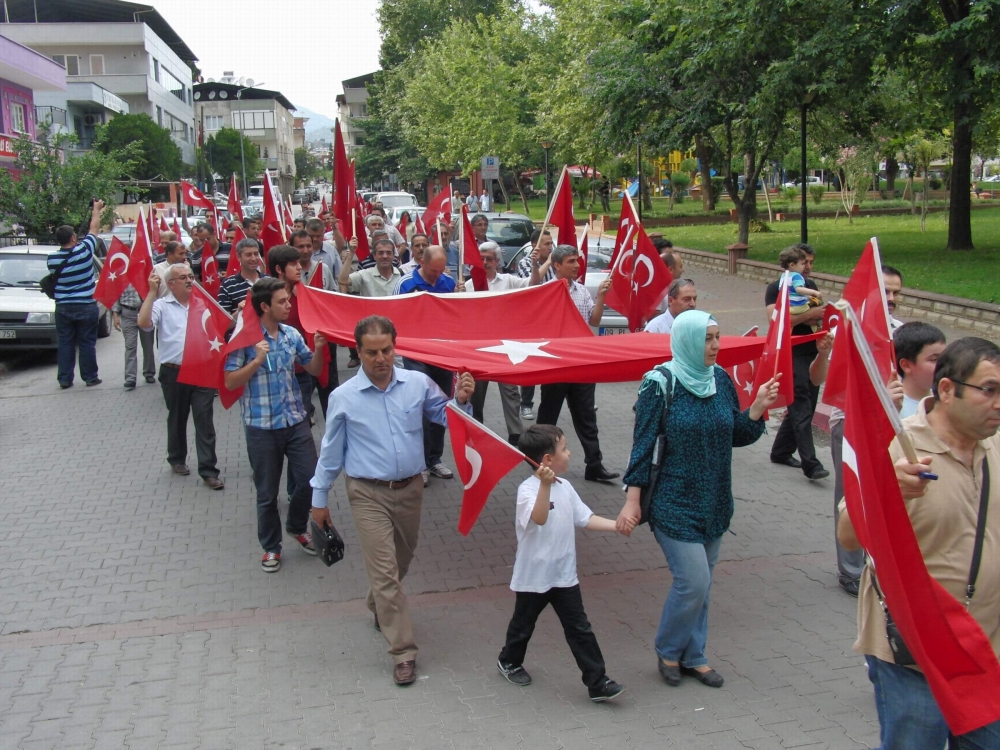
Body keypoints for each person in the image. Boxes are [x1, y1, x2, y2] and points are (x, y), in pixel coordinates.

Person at [837, 337, 1000, 749]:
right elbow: (847, 536)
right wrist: (886, 490)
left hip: (985, 652)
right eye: (990, 390)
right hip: (914, 654)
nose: (999, 403)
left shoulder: (996, 445)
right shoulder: (895, 445)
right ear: (947, 390)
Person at [310, 315, 476, 686]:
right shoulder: (343, 398)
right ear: (358, 352)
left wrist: (461, 401)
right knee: (385, 572)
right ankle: (403, 651)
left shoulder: (417, 384)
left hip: (412, 490)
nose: (380, 358)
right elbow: (330, 453)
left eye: (386, 349)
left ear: (395, 347)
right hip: (367, 493)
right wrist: (319, 500)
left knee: (402, 558)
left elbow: (448, 418)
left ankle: (378, 604)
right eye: (371, 352)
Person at [617, 311, 779, 688]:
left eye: (718, 337)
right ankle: (668, 650)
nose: (717, 345)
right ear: (687, 340)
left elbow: (734, 434)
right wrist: (633, 499)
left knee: (703, 584)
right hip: (674, 500)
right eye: (708, 339)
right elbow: (642, 446)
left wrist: (755, 408)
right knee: (692, 581)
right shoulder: (658, 384)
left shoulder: (719, 379)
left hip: (715, 499)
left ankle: (695, 656)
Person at [497, 424, 629, 702]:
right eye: (564, 449)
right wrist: (545, 485)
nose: (569, 453)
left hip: (564, 576)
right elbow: (539, 518)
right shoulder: (528, 490)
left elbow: (585, 518)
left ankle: (597, 681)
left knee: (579, 628)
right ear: (547, 460)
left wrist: (616, 526)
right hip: (534, 577)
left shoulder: (566, 487)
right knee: (523, 626)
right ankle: (509, 660)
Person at [224, 278, 328, 573]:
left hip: (295, 421)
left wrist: (319, 349)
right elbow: (230, 381)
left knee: (312, 478)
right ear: (264, 306)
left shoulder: (291, 334)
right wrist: (256, 361)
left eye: (288, 300)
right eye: (282, 302)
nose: (289, 305)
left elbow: (314, 368)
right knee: (267, 493)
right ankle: (271, 547)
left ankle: (297, 526)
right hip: (260, 426)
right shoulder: (243, 337)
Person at [828, 264, 905, 595]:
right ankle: (851, 571)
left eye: (897, 292)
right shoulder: (847, 331)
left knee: (890, 493)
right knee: (851, 495)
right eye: (885, 291)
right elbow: (831, 382)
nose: (891, 298)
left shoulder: (901, 333)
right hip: (850, 424)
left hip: (892, 425)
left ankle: (884, 563)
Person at [537, 245, 619, 483]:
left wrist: (601, 296)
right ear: (557, 266)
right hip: (556, 364)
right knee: (547, 417)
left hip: (582, 363)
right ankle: (538, 460)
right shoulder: (545, 291)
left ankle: (594, 465)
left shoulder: (582, 291)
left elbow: (594, 320)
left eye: (577, 261)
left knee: (586, 417)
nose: (576, 265)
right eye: (571, 261)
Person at [137, 265, 224, 490]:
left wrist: (238, 312)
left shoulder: (203, 302)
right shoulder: (161, 305)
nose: (189, 280)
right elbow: (144, 323)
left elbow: (223, 323)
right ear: (171, 284)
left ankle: (208, 470)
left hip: (202, 370)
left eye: (191, 276)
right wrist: (151, 292)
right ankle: (177, 458)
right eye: (182, 277)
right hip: (174, 371)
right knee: (177, 417)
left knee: (204, 421)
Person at [394, 246, 465, 482]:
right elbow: (394, 316)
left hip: (443, 354)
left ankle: (434, 459)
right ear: (421, 262)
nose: (437, 275)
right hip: (416, 354)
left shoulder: (448, 282)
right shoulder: (405, 284)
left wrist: (461, 297)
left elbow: (457, 316)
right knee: (420, 407)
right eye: (433, 270)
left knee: (442, 405)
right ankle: (419, 463)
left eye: (441, 270)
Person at [765, 243, 829, 481]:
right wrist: (810, 315)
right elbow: (776, 320)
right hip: (790, 354)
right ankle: (811, 465)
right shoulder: (776, 288)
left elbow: (821, 312)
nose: (809, 268)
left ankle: (781, 451)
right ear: (793, 264)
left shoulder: (809, 286)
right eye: (805, 263)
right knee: (801, 407)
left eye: (811, 263)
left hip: (812, 352)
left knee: (806, 406)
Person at [468, 241, 530, 445]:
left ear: (497, 261)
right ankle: (476, 429)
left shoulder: (508, 281)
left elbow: (533, 284)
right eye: (482, 259)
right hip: (479, 346)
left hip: (505, 345)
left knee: (510, 391)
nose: (485, 262)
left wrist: (537, 264)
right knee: (476, 391)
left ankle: (515, 434)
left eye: (489, 259)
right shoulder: (467, 285)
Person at [49, 200, 105, 388]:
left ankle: (65, 379)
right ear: (73, 238)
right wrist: (96, 210)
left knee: (65, 342)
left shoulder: (52, 259)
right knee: (87, 342)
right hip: (86, 305)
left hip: (63, 306)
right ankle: (90, 377)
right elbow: (94, 229)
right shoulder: (85, 250)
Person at [516, 229, 556, 420]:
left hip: (549, 318)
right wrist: (546, 262)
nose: (551, 247)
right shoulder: (524, 264)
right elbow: (534, 284)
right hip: (530, 320)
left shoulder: (555, 265)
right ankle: (526, 404)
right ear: (535, 246)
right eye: (547, 244)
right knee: (531, 360)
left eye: (551, 243)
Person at [895, 322, 947, 419]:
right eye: (934, 359)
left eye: (945, 358)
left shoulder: (946, 399)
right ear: (906, 365)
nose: (943, 364)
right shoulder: (895, 406)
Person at [112, 282, 156, 390]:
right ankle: (130, 378)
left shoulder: (146, 273)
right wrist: (115, 315)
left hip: (145, 312)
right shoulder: (122, 275)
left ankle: (149, 372)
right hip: (128, 312)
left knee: (148, 345)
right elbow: (115, 294)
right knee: (130, 346)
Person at [218, 238, 264, 315]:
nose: (253, 258)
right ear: (238, 257)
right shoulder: (227, 285)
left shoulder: (269, 280)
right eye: (248, 255)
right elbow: (224, 324)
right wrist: (239, 311)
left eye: (256, 254)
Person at [778, 246, 824, 310]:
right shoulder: (796, 276)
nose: (806, 266)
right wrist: (815, 292)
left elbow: (792, 293)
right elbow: (798, 290)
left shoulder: (784, 276)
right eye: (802, 264)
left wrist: (807, 297)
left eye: (811, 263)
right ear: (792, 265)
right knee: (819, 308)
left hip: (786, 307)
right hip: (797, 307)